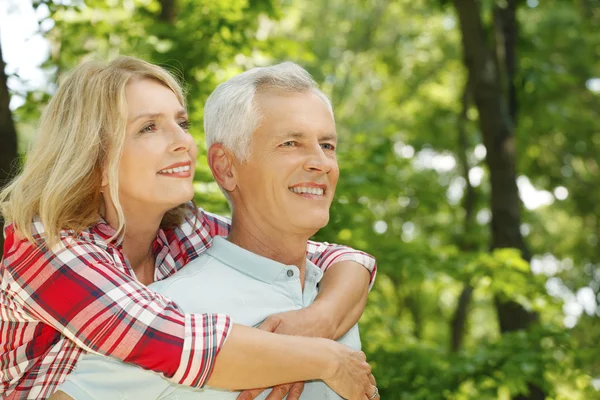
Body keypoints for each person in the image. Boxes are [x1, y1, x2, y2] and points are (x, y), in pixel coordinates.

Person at [0, 57, 377, 400]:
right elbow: (173, 343)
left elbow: (332, 257)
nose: (182, 142)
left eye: (180, 124)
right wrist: (325, 359)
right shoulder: (42, 245)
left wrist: (322, 317)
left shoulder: (179, 232)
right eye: (149, 127)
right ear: (95, 159)